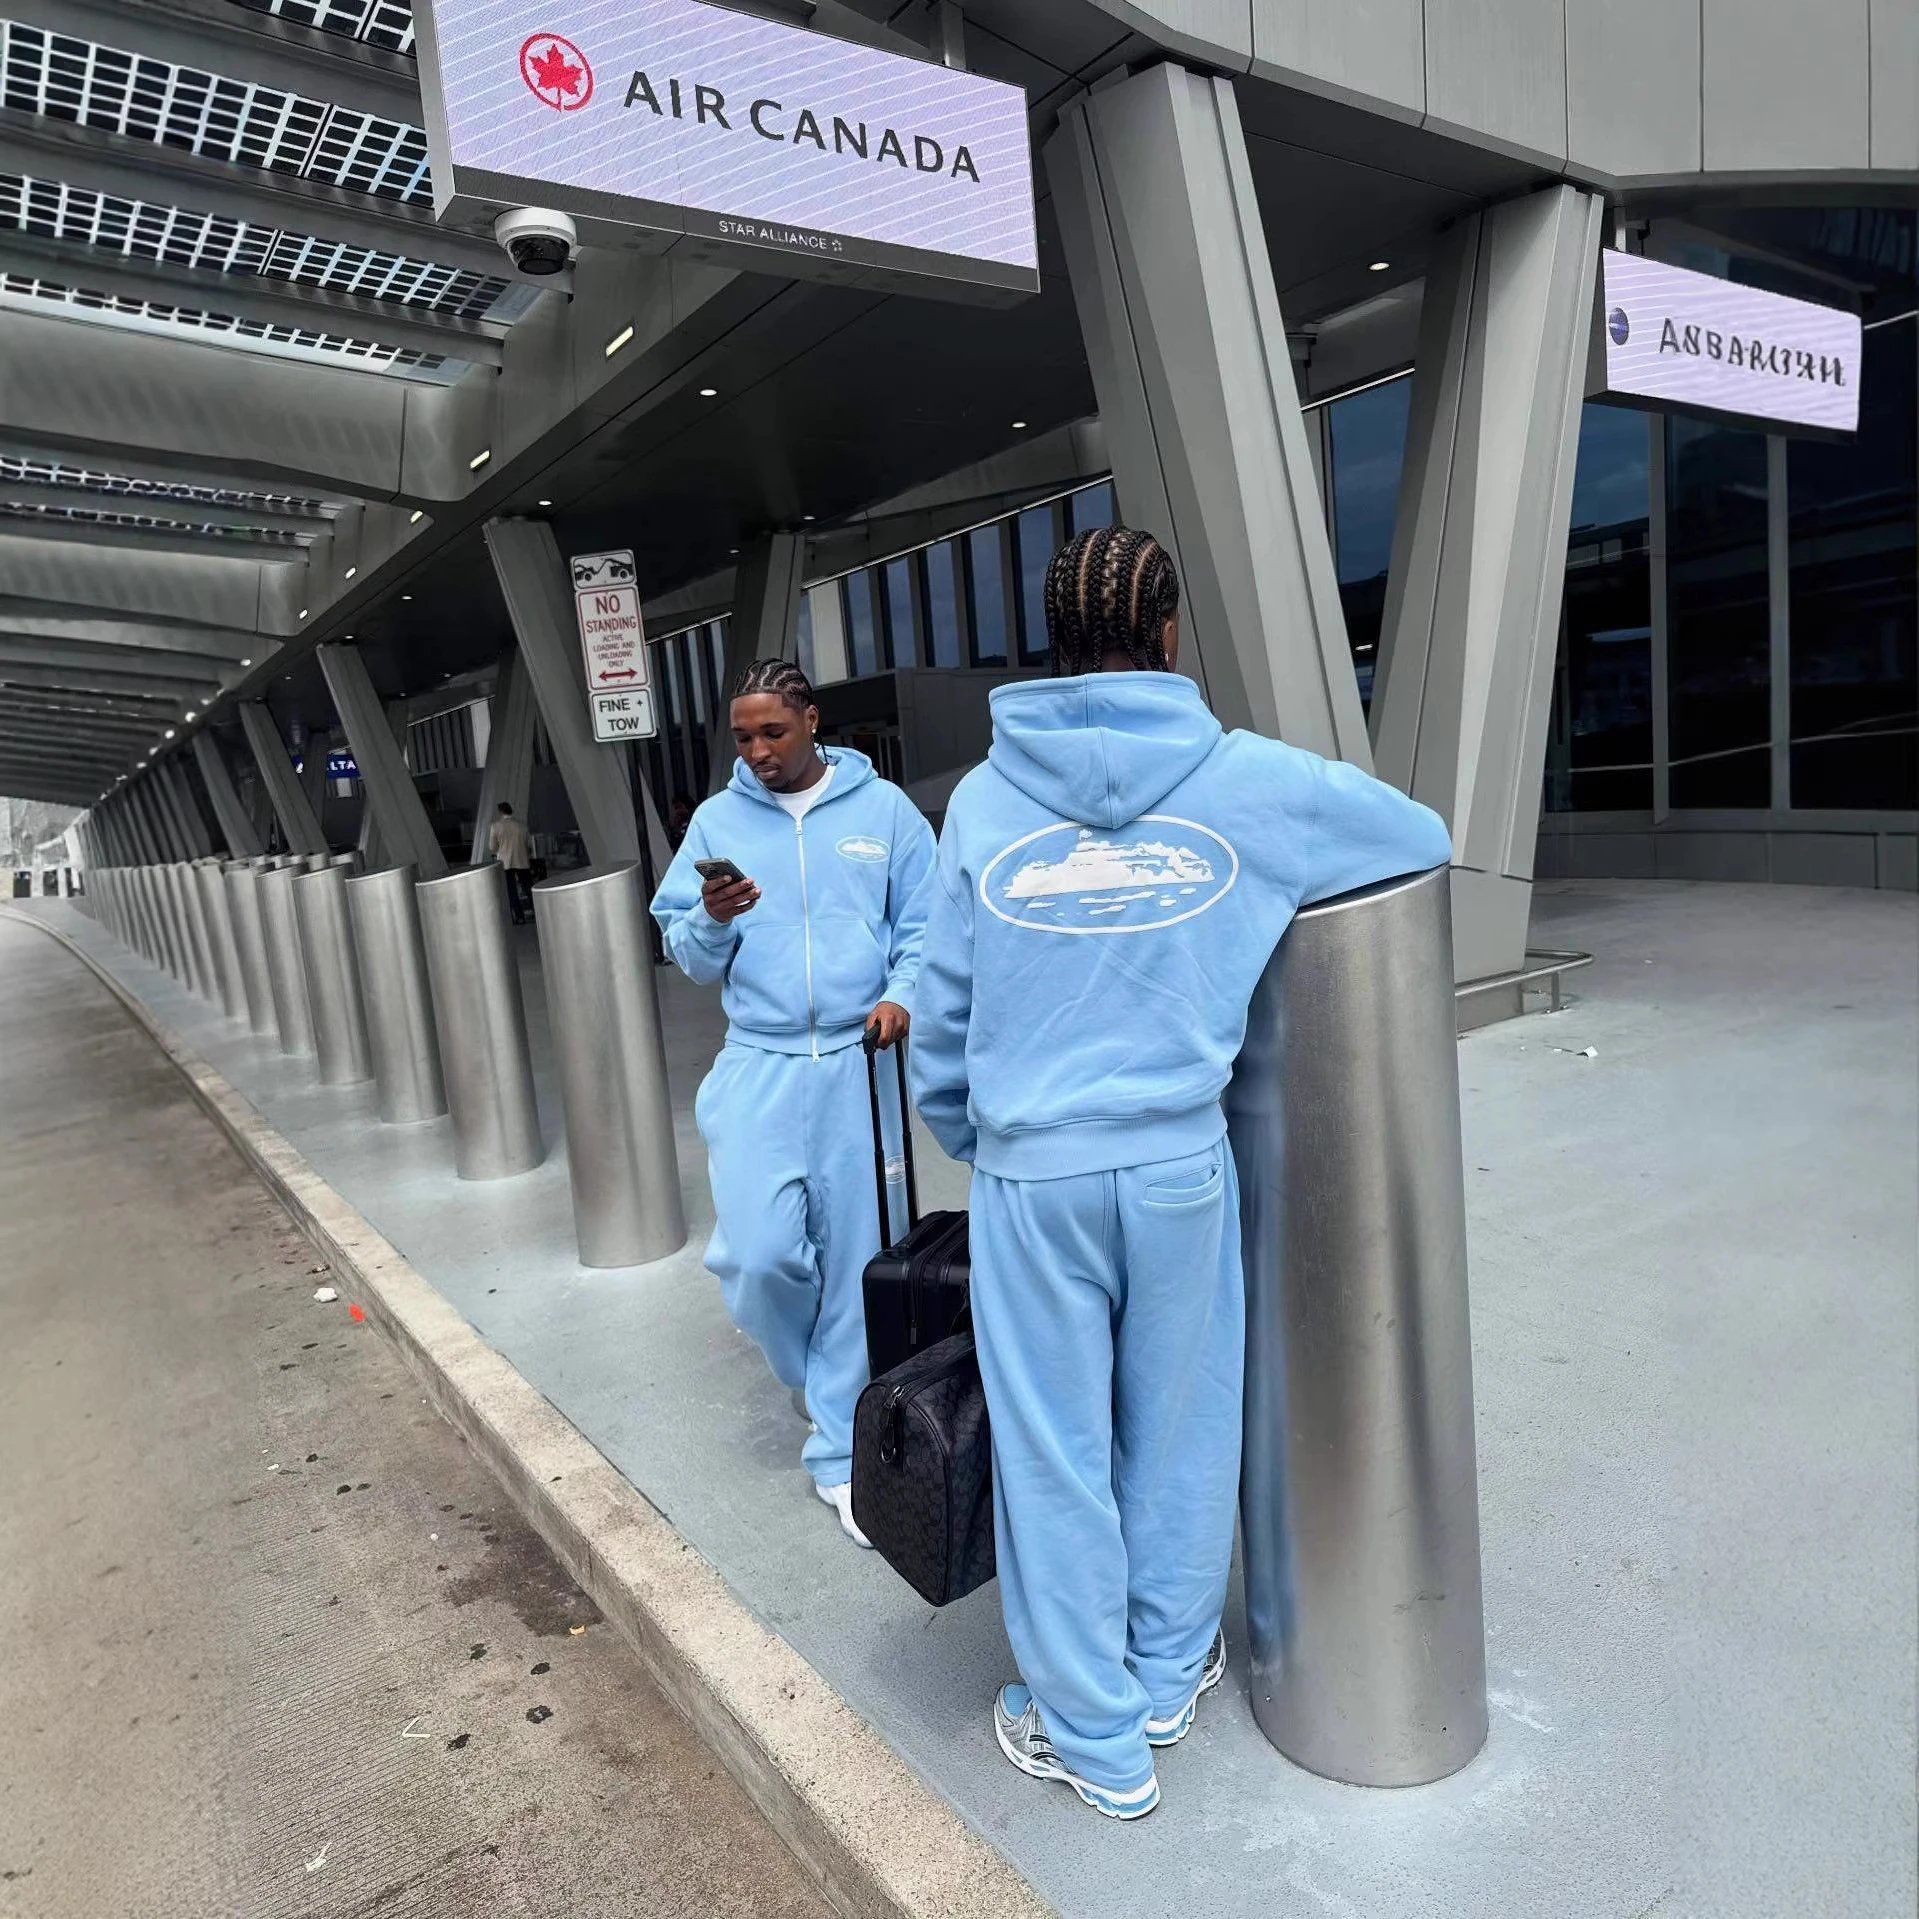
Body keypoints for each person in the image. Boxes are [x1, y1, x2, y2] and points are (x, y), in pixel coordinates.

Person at [909, 526, 1452, 1820]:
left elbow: (941, 1013)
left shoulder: (980, 800)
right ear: (1166, 633)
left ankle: (1094, 1736)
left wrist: (978, 1140)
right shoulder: (1254, 781)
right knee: (1180, 1427)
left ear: (1050, 642)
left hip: (1034, 1178)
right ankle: (1161, 1674)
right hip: (1176, 1166)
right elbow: (1420, 834)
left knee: (1054, 1452)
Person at [651, 660, 936, 1546]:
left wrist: (902, 993)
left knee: (856, 1258)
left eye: (772, 731)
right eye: (743, 737)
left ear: (811, 719)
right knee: (758, 1256)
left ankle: (841, 1454)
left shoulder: (884, 811)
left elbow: (926, 926)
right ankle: (821, 1381)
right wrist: (713, 916)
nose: (757, 751)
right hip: (758, 1064)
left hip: (859, 1062)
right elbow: (686, 952)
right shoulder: (716, 820)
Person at [488, 802, 533, 924]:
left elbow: (492, 847)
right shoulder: (522, 825)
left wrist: (499, 851)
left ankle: (519, 916)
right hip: (522, 861)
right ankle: (537, 912)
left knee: (511, 890)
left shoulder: (496, 826)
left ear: (500, 812)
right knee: (528, 888)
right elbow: (529, 845)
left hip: (505, 863)